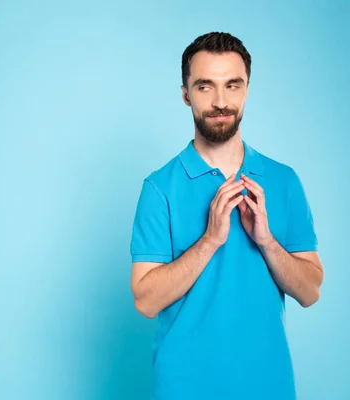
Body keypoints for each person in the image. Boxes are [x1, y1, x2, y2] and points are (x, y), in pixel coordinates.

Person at [130, 32, 324, 399]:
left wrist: (266, 241)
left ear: (247, 89)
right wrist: (210, 240)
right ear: (186, 94)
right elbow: (145, 300)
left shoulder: (283, 181)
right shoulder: (159, 188)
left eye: (232, 85)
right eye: (205, 87)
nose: (221, 101)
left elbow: (310, 291)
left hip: (269, 386)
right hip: (183, 388)